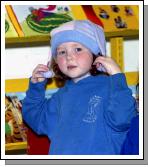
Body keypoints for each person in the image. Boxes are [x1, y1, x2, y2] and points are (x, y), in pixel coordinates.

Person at [22, 20, 137, 155]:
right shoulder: (60, 96)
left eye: (78, 49)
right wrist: (36, 87)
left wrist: (117, 77)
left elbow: (123, 120)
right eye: (62, 52)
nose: (69, 57)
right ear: (55, 61)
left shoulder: (111, 87)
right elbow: (37, 120)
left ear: (96, 54)